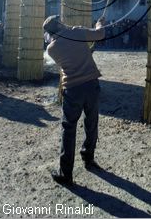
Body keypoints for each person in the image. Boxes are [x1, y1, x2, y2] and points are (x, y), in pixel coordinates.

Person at [43, 15, 105, 186]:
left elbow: (68, 60)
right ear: (60, 24)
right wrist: (99, 23)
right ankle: (88, 158)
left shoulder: (51, 49)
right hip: (91, 85)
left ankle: (66, 173)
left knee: (68, 129)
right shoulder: (77, 32)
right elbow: (100, 34)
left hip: (72, 89)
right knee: (91, 123)